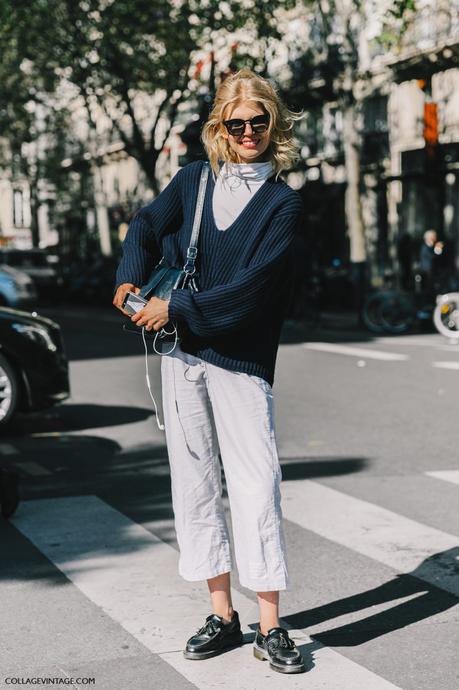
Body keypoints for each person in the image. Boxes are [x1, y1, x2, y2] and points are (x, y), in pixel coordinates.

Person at [113, 68, 305, 675]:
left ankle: (270, 625)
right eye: (236, 123)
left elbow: (255, 291)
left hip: (240, 358)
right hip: (182, 355)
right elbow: (145, 224)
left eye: (260, 121)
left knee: (256, 482)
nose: (249, 132)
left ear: (275, 124)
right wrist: (128, 276)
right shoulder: (195, 180)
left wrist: (178, 306)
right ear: (218, 127)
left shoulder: (282, 202)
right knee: (194, 481)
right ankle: (222, 614)